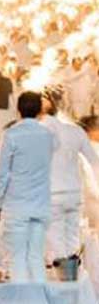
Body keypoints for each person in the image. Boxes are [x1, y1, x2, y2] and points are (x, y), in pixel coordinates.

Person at [0, 91, 57, 280]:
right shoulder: (48, 135)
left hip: (16, 206)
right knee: (36, 259)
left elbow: (2, 173)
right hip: (40, 206)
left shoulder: (11, 134)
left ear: (18, 110)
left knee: (16, 260)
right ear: (40, 110)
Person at [42, 99, 99, 260]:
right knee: (72, 243)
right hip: (75, 196)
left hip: (55, 196)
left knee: (57, 245)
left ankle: (66, 274)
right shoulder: (75, 133)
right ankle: (72, 272)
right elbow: (94, 162)